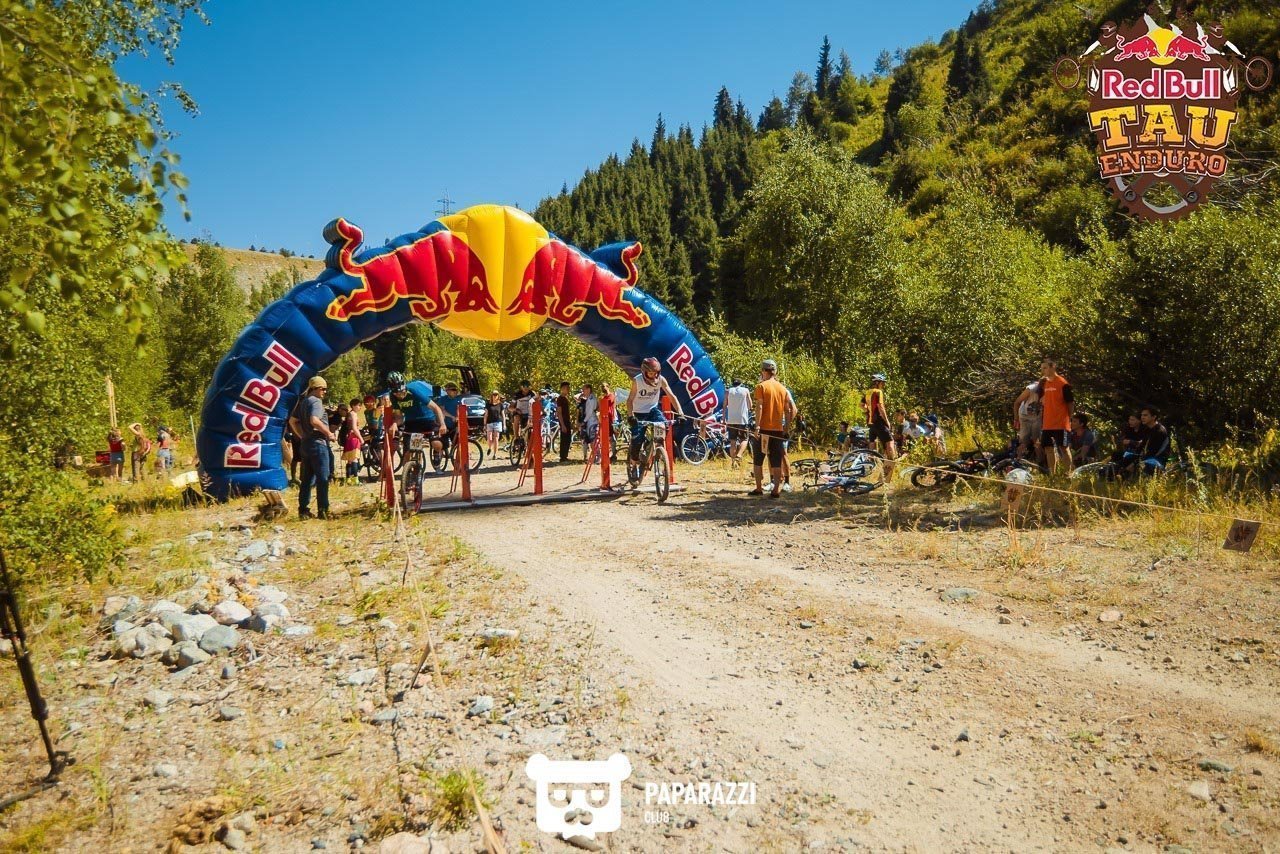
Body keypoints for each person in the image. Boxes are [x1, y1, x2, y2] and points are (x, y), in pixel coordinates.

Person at [625, 357, 685, 479]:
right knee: (637, 439)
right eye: (650, 373)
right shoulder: (637, 381)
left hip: (652, 410)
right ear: (644, 372)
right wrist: (630, 416)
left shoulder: (661, 380)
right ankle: (634, 464)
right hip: (638, 412)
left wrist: (680, 413)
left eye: (656, 373)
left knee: (664, 425)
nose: (653, 376)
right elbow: (630, 400)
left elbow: (672, 396)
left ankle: (654, 447)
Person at [289, 375, 336, 519]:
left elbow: (292, 421)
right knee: (322, 478)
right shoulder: (316, 401)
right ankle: (323, 511)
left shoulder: (303, 402)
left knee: (307, 480)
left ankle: (303, 510)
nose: (325, 392)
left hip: (305, 444)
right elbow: (314, 420)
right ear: (316, 389)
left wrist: (302, 435)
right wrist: (328, 433)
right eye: (323, 389)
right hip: (318, 444)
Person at [749, 359, 796, 498]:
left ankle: (759, 488)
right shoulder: (782, 389)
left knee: (758, 460)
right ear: (775, 372)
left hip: (763, 429)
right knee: (776, 460)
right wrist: (786, 428)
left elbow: (759, 406)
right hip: (778, 430)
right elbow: (788, 410)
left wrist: (757, 426)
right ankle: (775, 490)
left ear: (764, 371)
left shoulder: (761, 386)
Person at [384, 371, 447, 461]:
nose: (399, 395)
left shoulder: (413, 390)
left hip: (427, 419)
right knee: (408, 452)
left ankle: (438, 451)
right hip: (411, 421)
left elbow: (436, 408)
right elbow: (399, 416)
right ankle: (412, 466)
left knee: (436, 444)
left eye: (401, 391)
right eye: (396, 393)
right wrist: (394, 424)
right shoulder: (393, 396)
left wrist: (442, 424)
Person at [1037, 358, 1074, 473]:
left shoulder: (1063, 383)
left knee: (1064, 448)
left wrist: (1069, 418)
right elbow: (1042, 400)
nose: (1043, 371)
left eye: (1045, 368)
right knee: (1048, 448)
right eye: (1042, 368)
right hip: (1047, 423)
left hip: (1061, 422)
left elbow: (1070, 402)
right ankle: (1052, 474)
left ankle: (1068, 474)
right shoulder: (1044, 383)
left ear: (1053, 367)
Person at [866, 373, 897, 474]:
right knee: (890, 443)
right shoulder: (878, 392)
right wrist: (887, 421)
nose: (883, 385)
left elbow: (862, 405)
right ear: (877, 383)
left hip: (870, 423)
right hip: (879, 422)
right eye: (882, 383)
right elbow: (880, 407)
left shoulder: (868, 392)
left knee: (872, 443)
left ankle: (870, 466)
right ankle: (890, 469)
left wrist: (869, 412)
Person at [1012, 378, 1043, 463]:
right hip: (1025, 416)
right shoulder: (1031, 388)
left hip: (1037, 416)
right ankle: (1018, 460)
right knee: (1024, 441)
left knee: (1037, 440)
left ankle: (1040, 462)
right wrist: (1016, 419)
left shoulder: (1050, 391)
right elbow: (1017, 402)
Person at [724, 377, 752, 468]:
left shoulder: (728, 391)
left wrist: (724, 418)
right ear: (741, 383)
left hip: (731, 419)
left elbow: (724, 405)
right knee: (744, 439)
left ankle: (733, 462)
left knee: (733, 442)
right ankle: (739, 455)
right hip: (742, 419)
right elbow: (750, 405)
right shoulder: (745, 390)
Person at [1137, 406, 1170, 473]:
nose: (1142, 417)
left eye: (1145, 415)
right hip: (1148, 458)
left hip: (1157, 461)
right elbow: (1141, 446)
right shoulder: (1147, 429)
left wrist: (1137, 463)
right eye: (1142, 415)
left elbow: (1153, 452)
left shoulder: (1159, 431)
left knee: (1143, 467)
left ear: (1154, 417)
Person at [338, 400, 363, 483]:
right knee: (355, 459)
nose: (360, 407)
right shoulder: (353, 414)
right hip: (354, 438)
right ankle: (356, 480)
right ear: (353, 405)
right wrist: (361, 438)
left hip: (348, 438)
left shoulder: (349, 414)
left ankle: (348, 479)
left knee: (349, 460)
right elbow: (354, 428)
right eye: (358, 405)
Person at [578, 383, 599, 458]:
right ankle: (595, 455)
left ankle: (597, 456)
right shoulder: (590, 398)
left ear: (588, 389)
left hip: (591, 421)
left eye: (584, 389)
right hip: (590, 420)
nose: (583, 391)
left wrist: (584, 421)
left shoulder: (591, 399)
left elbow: (589, 412)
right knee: (591, 439)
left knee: (593, 439)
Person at [484, 391, 505, 460]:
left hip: (498, 422)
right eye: (494, 394)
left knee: (496, 438)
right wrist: (484, 424)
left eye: (496, 395)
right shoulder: (488, 404)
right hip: (489, 423)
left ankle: (495, 454)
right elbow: (486, 415)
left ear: (498, 396)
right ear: (492, 396)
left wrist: (504, 424)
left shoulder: (500, 404)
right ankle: (490, 448)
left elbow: (503, 415)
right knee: (489, 438)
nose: (495, 396)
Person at [556, 382, 573, 462]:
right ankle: (562, 457)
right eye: (567, 388)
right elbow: (559, 412)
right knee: (564, 439)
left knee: (568, 438)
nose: (568, 390)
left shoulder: (566, 398)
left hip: (567, 420)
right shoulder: (560, 399)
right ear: (562, 389)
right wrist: (562, 425)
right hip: (563, 421)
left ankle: (565, 455)